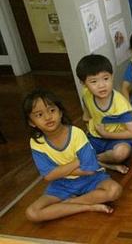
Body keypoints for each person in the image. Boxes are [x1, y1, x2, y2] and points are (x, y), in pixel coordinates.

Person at [23, 89, 122, 222]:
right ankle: (87, 206)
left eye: (52, 110)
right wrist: (76, 162)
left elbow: (89, 169)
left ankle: (66, 205)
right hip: (62, 185)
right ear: (31, 122)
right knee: (32, 213)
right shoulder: (36, 142)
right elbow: (49, 176)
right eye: (39, 114)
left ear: (60, 112)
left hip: (91, 179)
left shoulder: (76, 133)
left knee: (114, 190)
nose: (48, 117)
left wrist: (58, 171)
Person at [76, 54, 132, 174]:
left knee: (121, 152)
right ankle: (109, 165)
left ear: (112, 76)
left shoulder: (120, 104)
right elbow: (86, 115)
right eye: (94, 81)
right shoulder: (86, 94)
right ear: (83, 83)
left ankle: (95, 161)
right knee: (71, 152)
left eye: (106, 79)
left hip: (116, 139)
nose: (101, 85)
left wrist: (105, 134)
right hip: (94, 138)